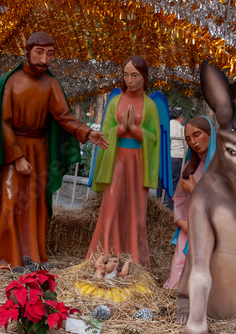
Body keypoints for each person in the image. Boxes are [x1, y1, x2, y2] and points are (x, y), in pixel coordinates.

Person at [0, 32, 108, 269]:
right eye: (39, 52)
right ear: (28, 50)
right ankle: (1, 259)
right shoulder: (10, 81)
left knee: (35, 203)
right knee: (10, 202)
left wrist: (86, 132)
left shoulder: (51, 84)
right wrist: (17, 157)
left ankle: (31, 258)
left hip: (39, 151)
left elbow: (63, 116)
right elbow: (2, 122)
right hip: (13, 149)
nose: (44, 60)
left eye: (50, 54)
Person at [86, 55, 160, 267]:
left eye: (135, 75)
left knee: (136, 210)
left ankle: (133, 260)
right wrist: (119, 129)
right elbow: (104, 133)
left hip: (138, 162)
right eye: (126, 75)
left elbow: (154, 138)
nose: (130, 80)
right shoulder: (115, 102)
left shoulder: (151, 106)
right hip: (116, 160)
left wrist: (135, 130)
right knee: (111, 205)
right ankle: (104, 255)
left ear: (144, 78)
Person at [163, 116, 216, 289]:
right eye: (188, 138)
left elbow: (224, 203)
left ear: (210, 134)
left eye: (197, 134)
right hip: (188, 229)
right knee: (178, 276)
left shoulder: (222, 169)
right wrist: (180, 222)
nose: (193, 141)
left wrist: (196, 191)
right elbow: (178, 198)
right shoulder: (189, 167)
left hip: (212, 233)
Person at [168, 108, 185, 210]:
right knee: (174, 185)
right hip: (176, 158)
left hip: (165, 158)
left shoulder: (165, 126)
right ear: (179, 118)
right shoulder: (181, 128)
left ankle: (161, 203)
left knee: (163, 184)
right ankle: (170, 208)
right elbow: (185, 143)